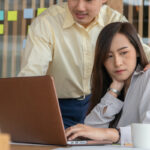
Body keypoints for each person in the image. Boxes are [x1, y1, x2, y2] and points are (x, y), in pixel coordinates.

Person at [18, 0, 150, 128]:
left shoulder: (114, 20)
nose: (80, 7)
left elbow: (140, 51)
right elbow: (31, 75)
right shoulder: (47, 22)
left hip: (99, 101)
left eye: (88, 0)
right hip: (59, 106)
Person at [65, 22, 150, 145]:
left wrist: (113, 134)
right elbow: (90, 129)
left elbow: (147, 132)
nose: (117, 63)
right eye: (109, 56)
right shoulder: (114, 86)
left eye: (123, 53)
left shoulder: (147, 77)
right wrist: (114, 90)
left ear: (137, 51)